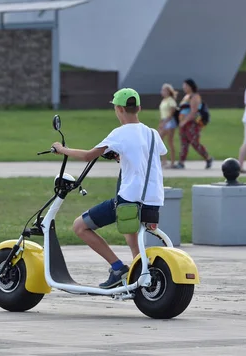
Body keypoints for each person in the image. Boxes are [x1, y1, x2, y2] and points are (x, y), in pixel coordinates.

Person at [51, 88, 167, 289]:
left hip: (129, 200)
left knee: (80, 226)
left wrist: (61, 149)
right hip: (153, 201)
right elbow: (149, 158)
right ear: (138, 108)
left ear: (119, 109)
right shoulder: (152, 133)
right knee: (134, 242)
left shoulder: (119, 134)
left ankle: (117, 269)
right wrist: (120, 158)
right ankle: (141, 277)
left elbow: (89, 156)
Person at [173, 79, 213, 170]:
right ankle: (181, 162)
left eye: (186, 86)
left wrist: (184, 121)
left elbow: (194, 111)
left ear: (191, 86)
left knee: (194, 142)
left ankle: (208, 158)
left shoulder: (195, 96)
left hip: (192, 124)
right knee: (184, 143)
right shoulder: (186, 96)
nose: (184, 87)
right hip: (183, 124)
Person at [157, 83, 177, 168]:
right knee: (159, 140)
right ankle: (164, 160)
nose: (162, 92)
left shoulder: (171, 100)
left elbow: (171, 113)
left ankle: (172, 162)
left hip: (169, 123)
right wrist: (161, 123)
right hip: (164, 121)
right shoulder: (163, 100)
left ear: (168, 91)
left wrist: (164, 122)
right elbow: (163, 113)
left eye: (164, 90)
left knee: (170, 142)